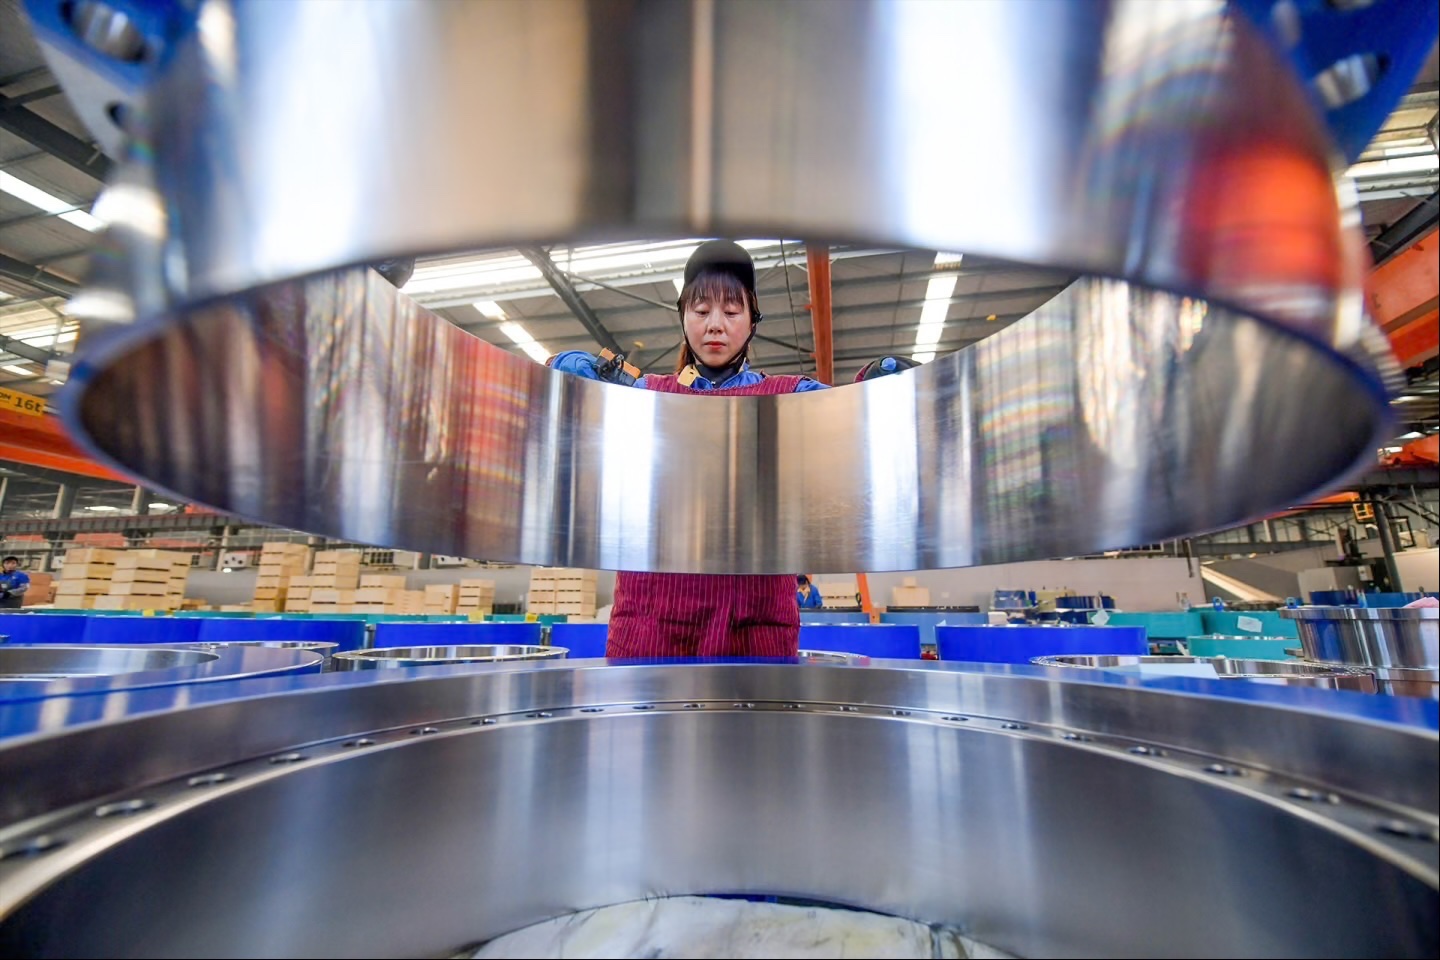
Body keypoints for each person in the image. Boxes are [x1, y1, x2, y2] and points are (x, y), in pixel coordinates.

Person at [549, 240, 911, 658]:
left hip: (756, 623)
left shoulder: (793, 396)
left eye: (732, 311)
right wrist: (582, 376)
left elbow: (849, 417)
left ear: (753, 320)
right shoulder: (643, 394)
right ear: (683, 317)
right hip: (651, 623)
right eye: (701, 311)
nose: (715, 325)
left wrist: (870, 394)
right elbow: (561, 384)